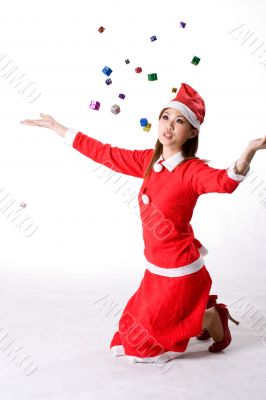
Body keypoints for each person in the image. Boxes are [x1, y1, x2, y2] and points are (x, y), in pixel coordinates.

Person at [20, 83, 266, 365]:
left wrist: (249, 151)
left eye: (179, 120)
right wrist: (57, 127)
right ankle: (207, 316)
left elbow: (224, 182)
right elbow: (105, 153)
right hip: (155, 265)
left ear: (193, 132)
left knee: (149, 341)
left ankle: (210, 317)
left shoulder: (192, 171)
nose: (169, 126)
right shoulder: (148, 161)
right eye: (165, 117)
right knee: (131, 332)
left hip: (179, 267)